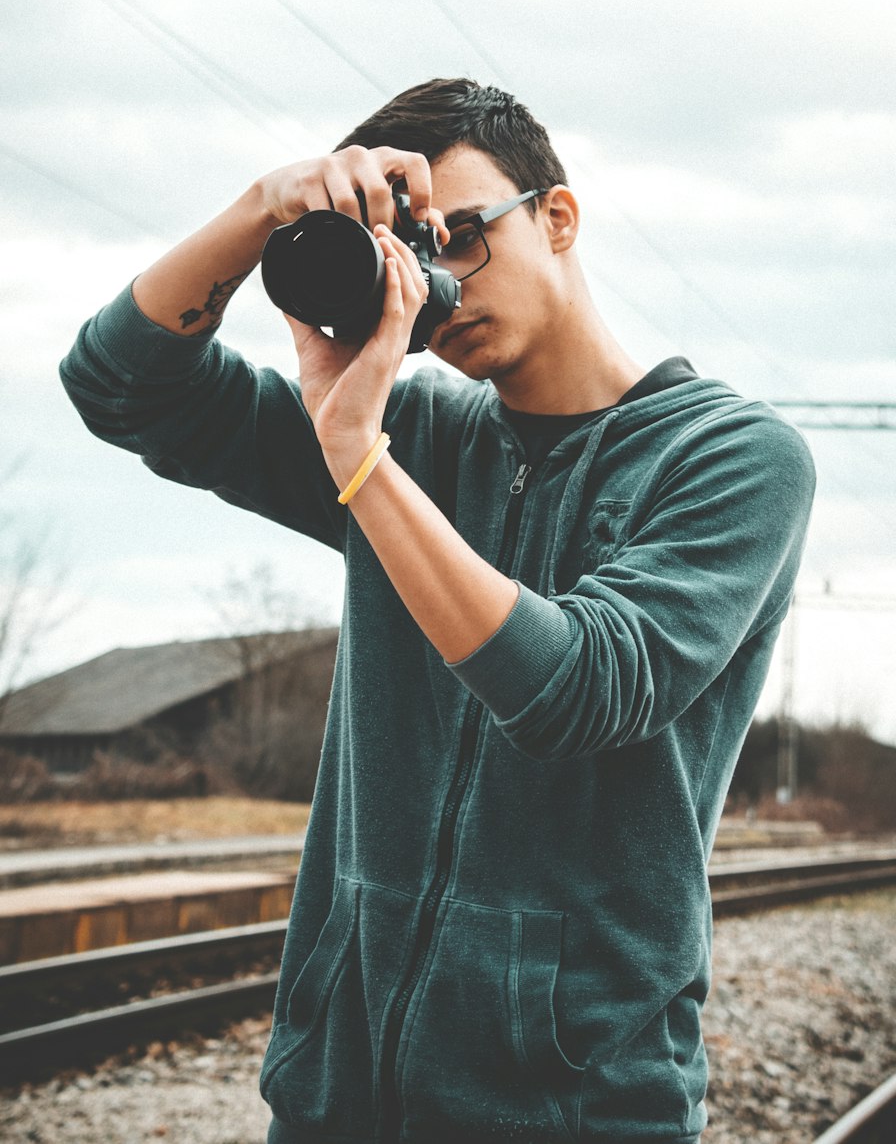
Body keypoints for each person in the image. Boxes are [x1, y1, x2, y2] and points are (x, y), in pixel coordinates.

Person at [60, 78, 815, 1144]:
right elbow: (118, 385)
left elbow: (577, 688)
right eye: (414, 257)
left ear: (556, 218)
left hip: (576, 1107)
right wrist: (263, 208)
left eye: (462, 238)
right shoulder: (408, 432)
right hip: (337, 1095)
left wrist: (361, 460)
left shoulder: (730, 459)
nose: (442, 286)